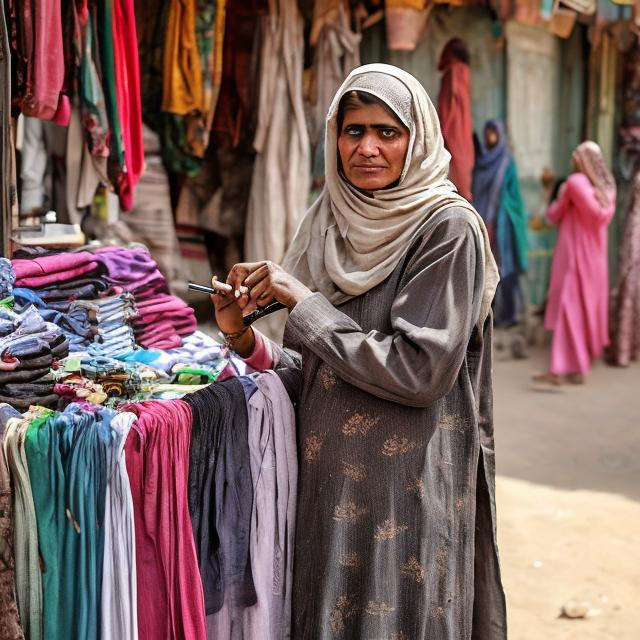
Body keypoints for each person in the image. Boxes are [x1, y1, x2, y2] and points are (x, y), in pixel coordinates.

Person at [212, 64, 506, 639]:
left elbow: (420, 372)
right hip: (327, 494)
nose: (367, 148)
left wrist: (304, 303)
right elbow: (320, 370)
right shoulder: (329, 223)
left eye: (387, 132)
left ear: (416, 139)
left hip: (404, 496)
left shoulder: (447, 230)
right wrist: (243, 338)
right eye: (353, 131)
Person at [535, 141, 616, 385]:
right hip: (596, 256)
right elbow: (600, 215)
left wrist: (557, 196)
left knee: (569, 309)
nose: (573, 159)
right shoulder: (607, 186)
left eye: (577, 155)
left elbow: (553, 216)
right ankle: (581, 362)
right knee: (586, 307)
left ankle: (561, 368)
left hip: (575, 255)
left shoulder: (575, 184)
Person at [472, 120, 528, 333]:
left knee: (505, 269)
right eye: (487, 132)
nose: (490, 136)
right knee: (482, 269)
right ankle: (485, 314)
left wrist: (502, 215)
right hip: (481, 222)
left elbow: (514, 195)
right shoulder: (481, 161)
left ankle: (508, 314)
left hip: (502, 225)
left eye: (494, 132)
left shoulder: (506, 162)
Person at [608, 171, 640, 366]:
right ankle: (628, 348)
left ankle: (624, 351)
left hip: (635, 234)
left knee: (630, 289)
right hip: (634, 233)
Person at [437, 38, 474, 201]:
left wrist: (443, 129)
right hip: (463, 129)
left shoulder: (453, 71)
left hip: (453, 128)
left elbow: (450, 102)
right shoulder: (464, 70)